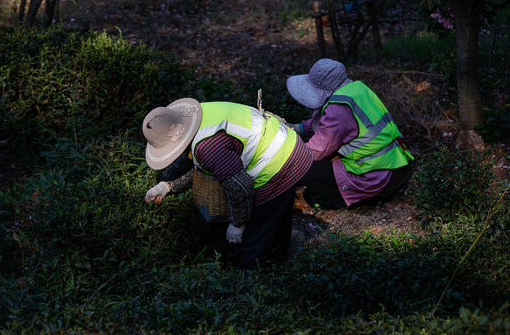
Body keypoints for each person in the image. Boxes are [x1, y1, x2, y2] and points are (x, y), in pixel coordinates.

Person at [142, 98, 313, 270]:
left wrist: (237, 224)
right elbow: (192, 159)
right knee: (276, 216)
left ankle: (253, 281)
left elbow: (240, 187)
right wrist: (166, 185)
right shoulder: (199, 116)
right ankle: (280, 259)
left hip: (279, 162)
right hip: (287, 144)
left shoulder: (208, 147)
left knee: (252, 239)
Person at [287, 58, 414, 210]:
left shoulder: (338, 108)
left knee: (305, 168)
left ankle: (337, 200)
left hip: (378, 179)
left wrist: (287, 153)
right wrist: (300, 128)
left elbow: (314, 152)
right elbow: (330, 124)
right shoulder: (357, 90)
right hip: (400, 168)